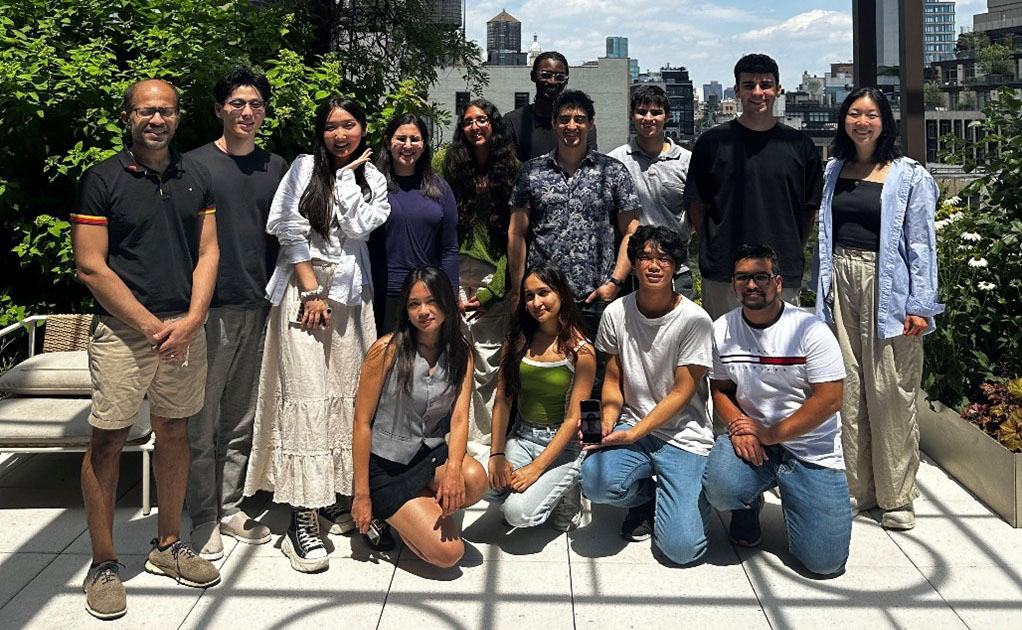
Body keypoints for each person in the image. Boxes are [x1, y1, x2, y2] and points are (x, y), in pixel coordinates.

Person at [71, 79, 221, 619]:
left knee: (176, 429)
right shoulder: (102, 179)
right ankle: (104, 563)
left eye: (166, 111)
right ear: (128, 117)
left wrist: (194, 319)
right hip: (123, 332)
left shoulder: (195, 175)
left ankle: (166, 546)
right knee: (108, 439)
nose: (156, 119)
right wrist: (153, 326)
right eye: (145, 111)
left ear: (179, 118)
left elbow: (208, 252)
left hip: (184, 327)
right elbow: (91, 265)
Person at [243, 97, 391, 573]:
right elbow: (285, 225)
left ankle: (329, 496)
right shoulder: (304, 167)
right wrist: (310, 291)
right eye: (331, 127)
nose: (340, 135)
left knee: (347, 394)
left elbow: (358, 227)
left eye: (349, 124)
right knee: (304, 395)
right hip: (305, 292)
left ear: (363, 128)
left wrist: (348, 177)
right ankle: (300, 517)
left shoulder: (375, 179)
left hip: (350, 297)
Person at [814, 87, 944, 530]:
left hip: (888, 286)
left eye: (871, 114)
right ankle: (856, 488)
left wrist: (921, 304)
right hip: (839, 280)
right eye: (854, 113)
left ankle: (896, 496)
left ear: (884, 121)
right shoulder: (833, 170)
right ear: (843, 120)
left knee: (891, 389)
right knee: (846, 388)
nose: (862, 122)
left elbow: (923, 243)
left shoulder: (908, 175)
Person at [184, 67, 288, 560]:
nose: (248, 112)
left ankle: (228, 506)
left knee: (241, 416)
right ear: (220, 109)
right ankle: (202, 516)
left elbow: (290, 237)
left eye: (256, 104)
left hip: (261, 305)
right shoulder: (193, 166)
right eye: (238, 103)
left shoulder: (278, 167)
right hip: (208, 310)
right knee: (201, 420)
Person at [703, 244, 851, 576]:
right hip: (756, 439)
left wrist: (772, 434)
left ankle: (797, 494)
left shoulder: (810, 330)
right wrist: (739, 426)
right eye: (743, 278)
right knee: (721, 484)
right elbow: (721, 389)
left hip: (810, 449)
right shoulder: (722, 329)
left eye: (760, 277)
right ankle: (747, 505)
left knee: (825, 563)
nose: (751, 285)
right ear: (733, 283)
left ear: (778, 283)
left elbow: (830, 399)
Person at [579, 226, 714, 565]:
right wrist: (609, 421)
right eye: (645, 257)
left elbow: (683, 392)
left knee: (682, 550)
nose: (654, 265)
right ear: (634, 264)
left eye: (663, 259)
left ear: (675, 266)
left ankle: (701, 495)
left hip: (684, 435)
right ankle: (647, 498)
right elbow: (612, 380)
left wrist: (635, 433)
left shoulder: (695, 320)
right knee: (594, 482)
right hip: (633, 425)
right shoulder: (615, 313)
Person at [351, 266, 488, 568]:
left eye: (431, 301)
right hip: (387, 466)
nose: (423, 311)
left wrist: (453, 468)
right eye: (414, 304)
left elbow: (460, 419)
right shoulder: (387, 350)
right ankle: (386, 513)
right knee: (449, 555)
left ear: (446, 302)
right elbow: (361, 422)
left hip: (428, 457)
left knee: (475, 479)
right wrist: (362, 495)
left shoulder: (460, 353)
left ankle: (418, 507)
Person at [684, 53, 823, 320]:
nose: (758, 92)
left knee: (782, 354)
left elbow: (808, 212)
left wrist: (789, 246)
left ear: (778, 89)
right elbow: (697, 207)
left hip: (782, 270)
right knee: (723, 353)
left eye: (765, 85)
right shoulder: (712, 143)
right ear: (737, 90)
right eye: (749, 85)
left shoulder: (800, 146)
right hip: (724, 270)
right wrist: (716, 244)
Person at [508, 89, 640, 356]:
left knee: (598, 380)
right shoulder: (531, 172)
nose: (572, 126)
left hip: (595, 298)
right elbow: (516, 233)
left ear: (590, 124)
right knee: (543, 376)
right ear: (554, 123)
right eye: (565, 119)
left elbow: (632, 230)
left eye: (579, 119)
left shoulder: (612, 172)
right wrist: (518, 289)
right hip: (543, 299)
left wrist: (614, 282)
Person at [486, 263, 596, 531]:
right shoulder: (517, 341)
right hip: (523, 436)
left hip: (564, 444)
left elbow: (573, 420)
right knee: (480, 485)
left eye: (544, 292)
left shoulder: (582, 352)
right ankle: (542, 487)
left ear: (561, 294)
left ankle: (569, 490)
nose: (536, 302)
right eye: (529, 296)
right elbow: (503, 399)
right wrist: (496, 453)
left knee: (517, 514)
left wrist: (535, 469)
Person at [442, 99, 517, 444]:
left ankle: (484, 444)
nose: (475, 126)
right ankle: (455, 440)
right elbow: (444, 229)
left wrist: (493, 292)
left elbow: (516, 240)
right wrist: (451, 282)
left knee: (488, 366)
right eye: (468, 121)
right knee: (455, 361)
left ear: (494, 124)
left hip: (494, 277)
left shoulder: (514, 170)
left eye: (482, 119)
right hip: (455, 272)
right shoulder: (451, 168)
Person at [370, 114, 459, 333]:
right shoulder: (372, 187)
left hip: (428, 296)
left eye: (415, 139)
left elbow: (449, 249)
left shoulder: (441, 189)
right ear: (387, 142)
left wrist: (450, 294)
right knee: (386, 361)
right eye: (401, 138)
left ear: (424, 144)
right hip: (383, 293)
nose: (407, 145)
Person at [608, 84, 694, 298]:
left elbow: (696, 214)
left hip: (677, 269)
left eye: (656, 112)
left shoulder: (686, 161)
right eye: (642, 112)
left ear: (668, 116)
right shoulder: (615, 161)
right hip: (630, 272)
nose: (648, 118)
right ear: (632, 115)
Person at [504, 51, 598, 162]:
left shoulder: (580, 125)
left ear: (566, 80)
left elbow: (591, 165)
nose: (552, 82)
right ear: (533, 76)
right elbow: (508, 169)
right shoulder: (513, 122)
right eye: (546, 75)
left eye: (560, 77)